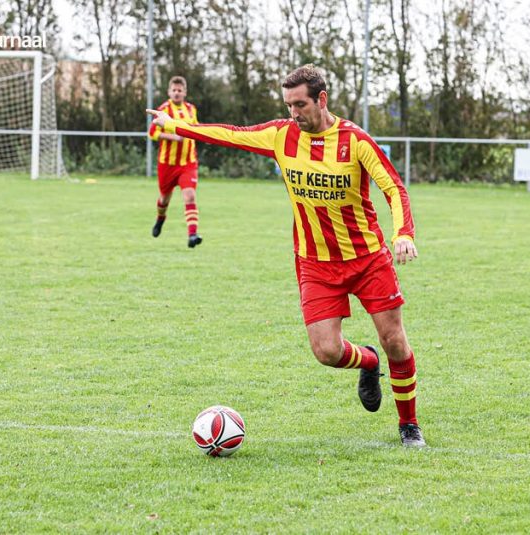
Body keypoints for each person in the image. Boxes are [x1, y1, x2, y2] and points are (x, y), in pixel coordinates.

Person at [146, 64, 426, 447]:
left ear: (321, 99)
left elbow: (394, 188)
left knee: (395, 338)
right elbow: (231, 135)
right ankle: (369, 362)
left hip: (367, 258)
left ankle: (408, 425)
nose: (294, 113)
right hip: (314, 261)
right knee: (326, 351)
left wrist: (403, 233)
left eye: (301, 104)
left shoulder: (355, 140)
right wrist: (174, 125)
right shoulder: (281, 136)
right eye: (288, 105)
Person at [147, 76, 202, 248]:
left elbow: (196, 127)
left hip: (188, 162)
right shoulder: (163, 110)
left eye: (180, 90)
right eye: (174, 90)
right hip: (167, 164)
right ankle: (160, 219)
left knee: (190, 195)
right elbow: (152, 133)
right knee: (164, 199)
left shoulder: (191, 110)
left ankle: (192, 234)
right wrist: (173, 137)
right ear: (169, 92)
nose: (177, 93)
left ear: (185, 92)